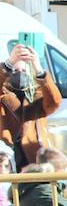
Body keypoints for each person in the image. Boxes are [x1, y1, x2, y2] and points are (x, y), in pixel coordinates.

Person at [1, 39, 61, 169]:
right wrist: (8, 63)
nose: (19, 74)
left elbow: (54, 102)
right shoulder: (3, 93)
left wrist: (39, 69)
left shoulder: (39, 94)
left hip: (34, 156)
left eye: (23, 71)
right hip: (7, 157)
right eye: (15, 71)